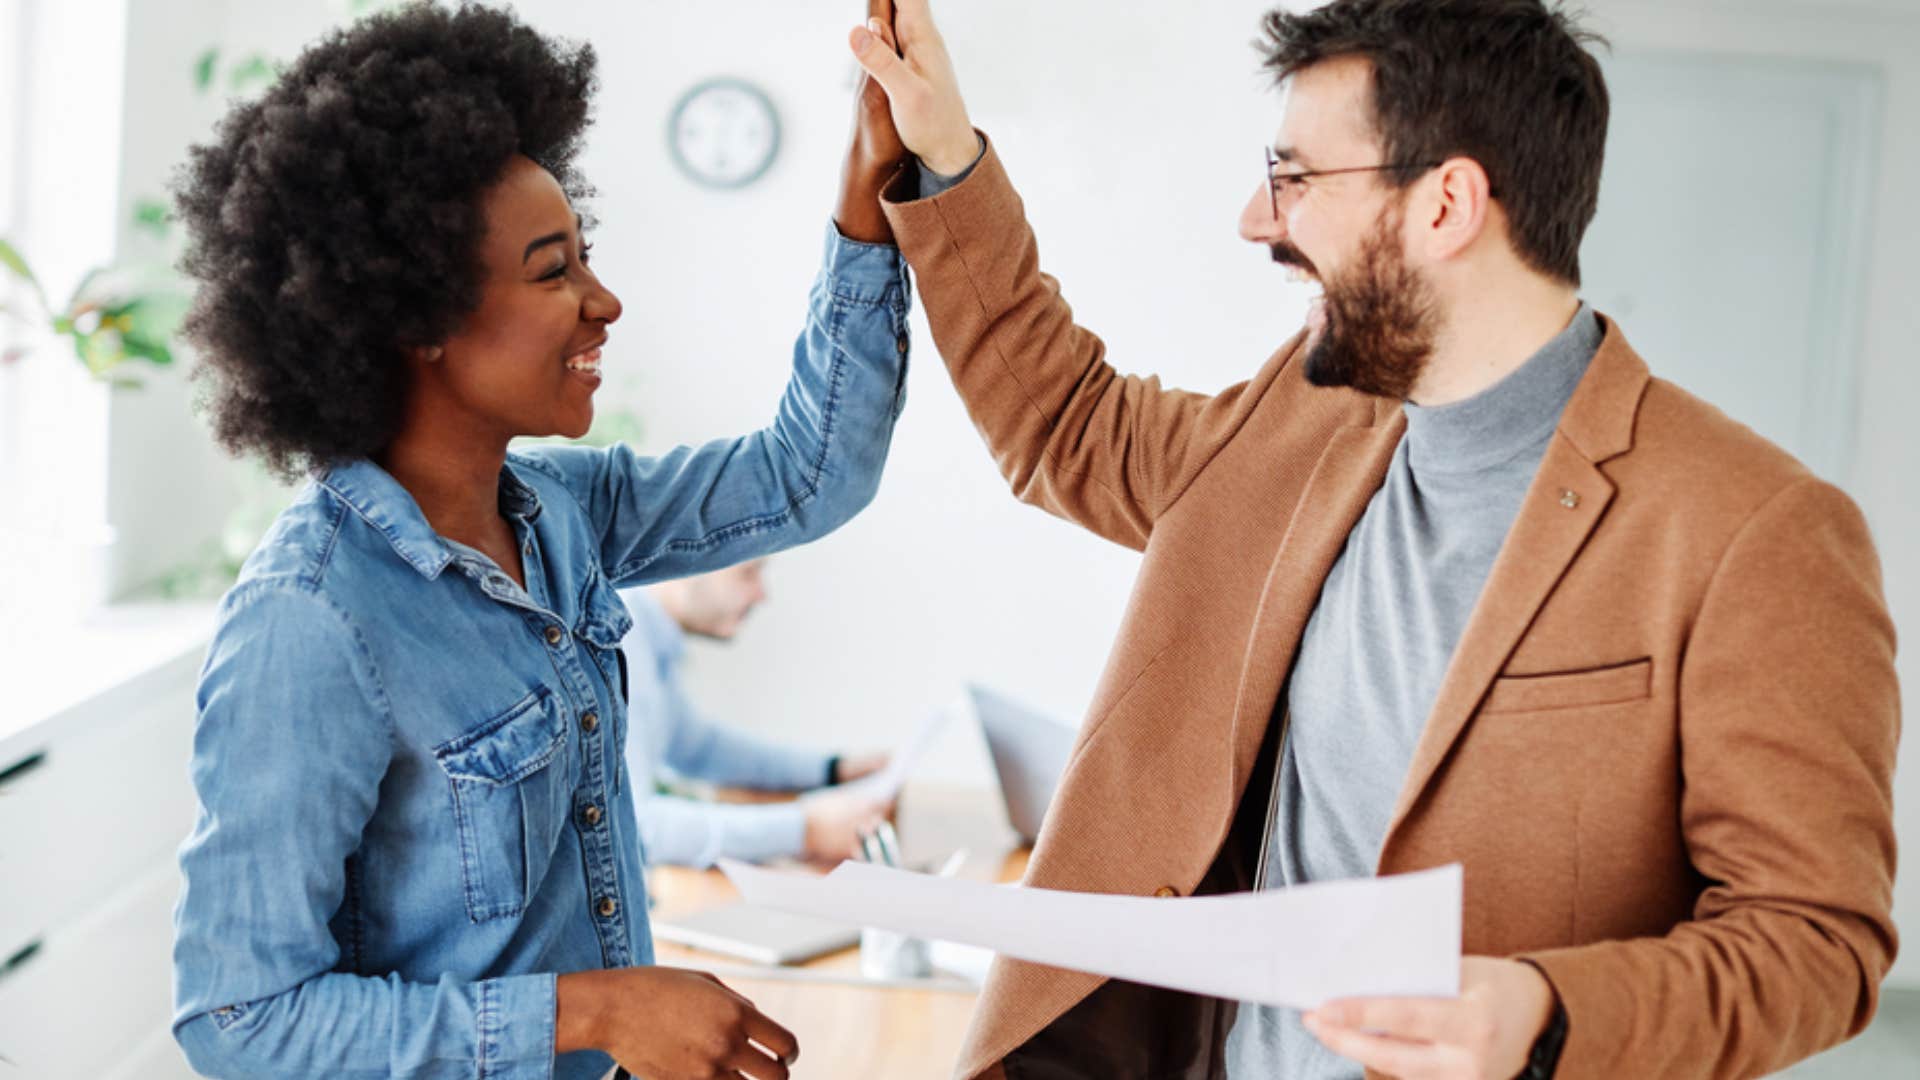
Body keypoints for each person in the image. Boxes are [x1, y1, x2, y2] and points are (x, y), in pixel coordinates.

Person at [844, 1, 1901, 1077]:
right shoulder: (1303, 417)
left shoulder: (1758, 529)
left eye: (1295, 178)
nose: (1258, 219)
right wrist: (946, 154)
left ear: (1446, 203)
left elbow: (1817, 940)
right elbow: (1067, 425)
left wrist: (1547, 1009)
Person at [168, 4, 914, 1079]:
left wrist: (865, 199)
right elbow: (241, 1023)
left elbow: (810, 474)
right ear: (420, 317)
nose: (604, 302)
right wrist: (589, 1013)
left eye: (585, 258)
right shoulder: (311, 620)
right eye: (553, 269)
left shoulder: (565, 512)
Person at [619, 559, 894, 869]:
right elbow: (636, 825)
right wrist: (805, 829)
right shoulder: (622, 644)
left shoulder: (649, 643)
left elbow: (701, 749)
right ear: (685, 563)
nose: (762, 594)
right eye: (748, 572)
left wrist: (833, 769)